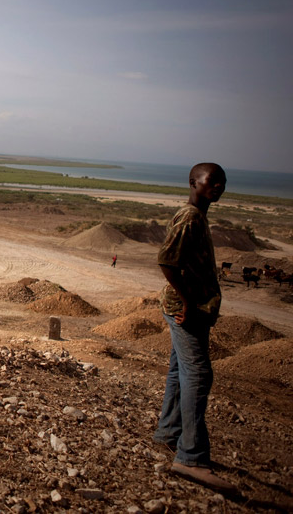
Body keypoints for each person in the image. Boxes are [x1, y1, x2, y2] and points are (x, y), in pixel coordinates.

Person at [152, 163, 236, 493]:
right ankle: (191, 457)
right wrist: (188, 302)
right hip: (187, 311)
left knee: (179, 371)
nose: (218, 186)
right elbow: (166, 260)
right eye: (211, 181)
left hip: (188, 308)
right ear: (193, 183)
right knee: (198, 374)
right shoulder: (190, 217)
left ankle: (169, 433)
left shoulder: (197, 216)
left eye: (222, 182)